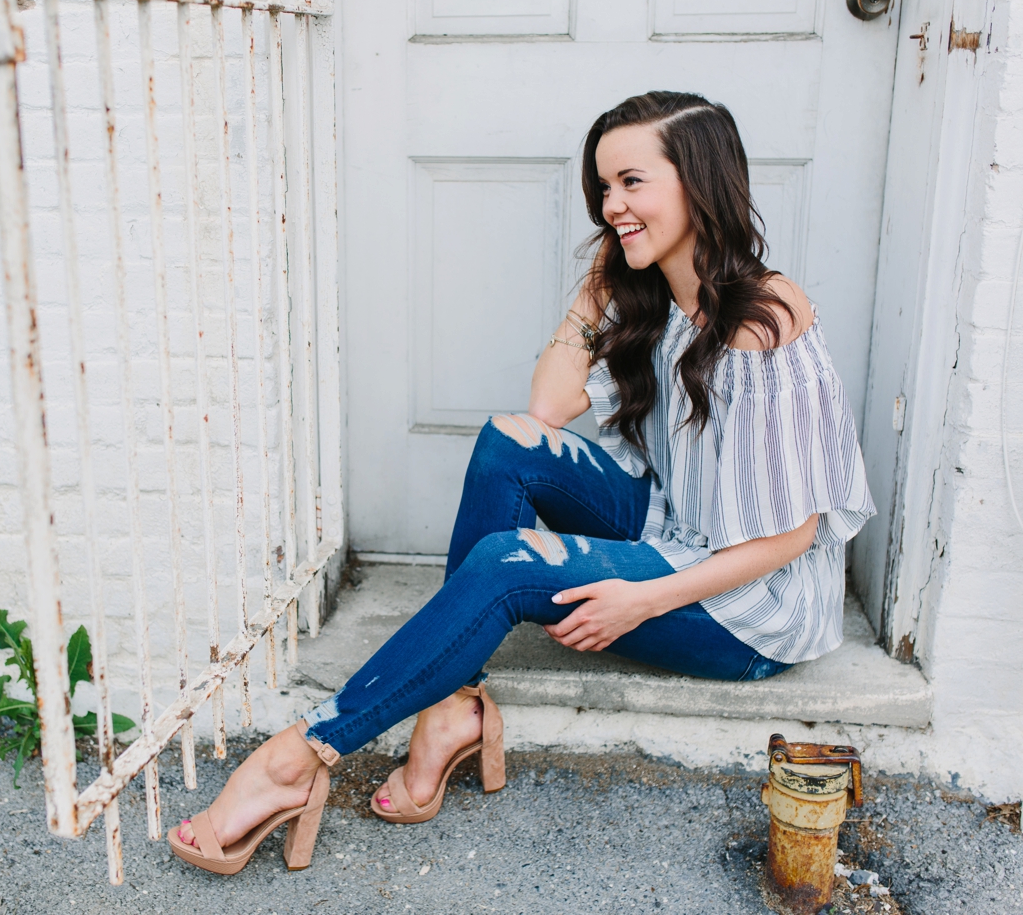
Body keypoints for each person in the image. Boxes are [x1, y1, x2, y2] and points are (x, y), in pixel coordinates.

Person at [167, 90, 876, 875]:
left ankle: (297, 758)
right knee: (509, 441)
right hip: (674, 529)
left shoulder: (762, 316)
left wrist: (644, 598)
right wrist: (602, 283)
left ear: (698, 182)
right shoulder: (666, 299)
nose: (612, 206)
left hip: (746, 609)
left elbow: (796, 535)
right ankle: (448, 711)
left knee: (508, 562)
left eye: (633, 183)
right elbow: (548, 408)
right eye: (604, 189)